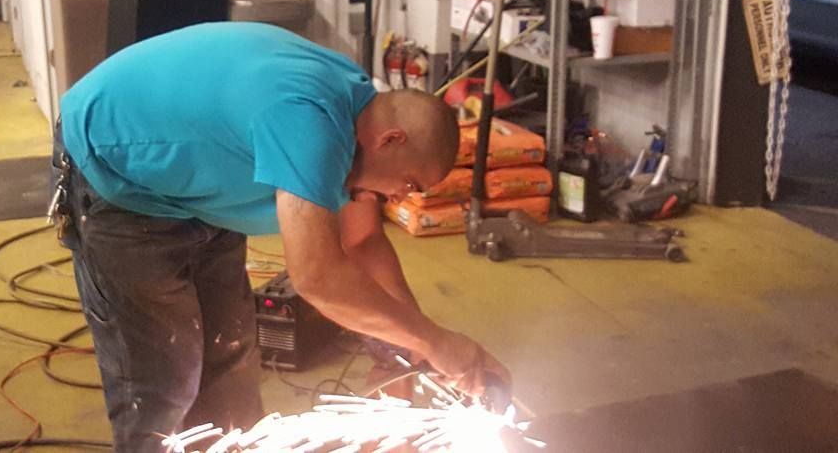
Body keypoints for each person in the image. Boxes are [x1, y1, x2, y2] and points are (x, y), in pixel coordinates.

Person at [51, 22, 511, 452]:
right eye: (410, 183)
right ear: (390, 140)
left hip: (194, 189)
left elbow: (363, 242)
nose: (400, 196)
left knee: (229, 362)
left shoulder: (357, 110)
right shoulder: (310, 123)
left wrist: (405, 349)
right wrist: (435, 342)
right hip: (118, 178)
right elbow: (318, 277)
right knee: (164, 387)